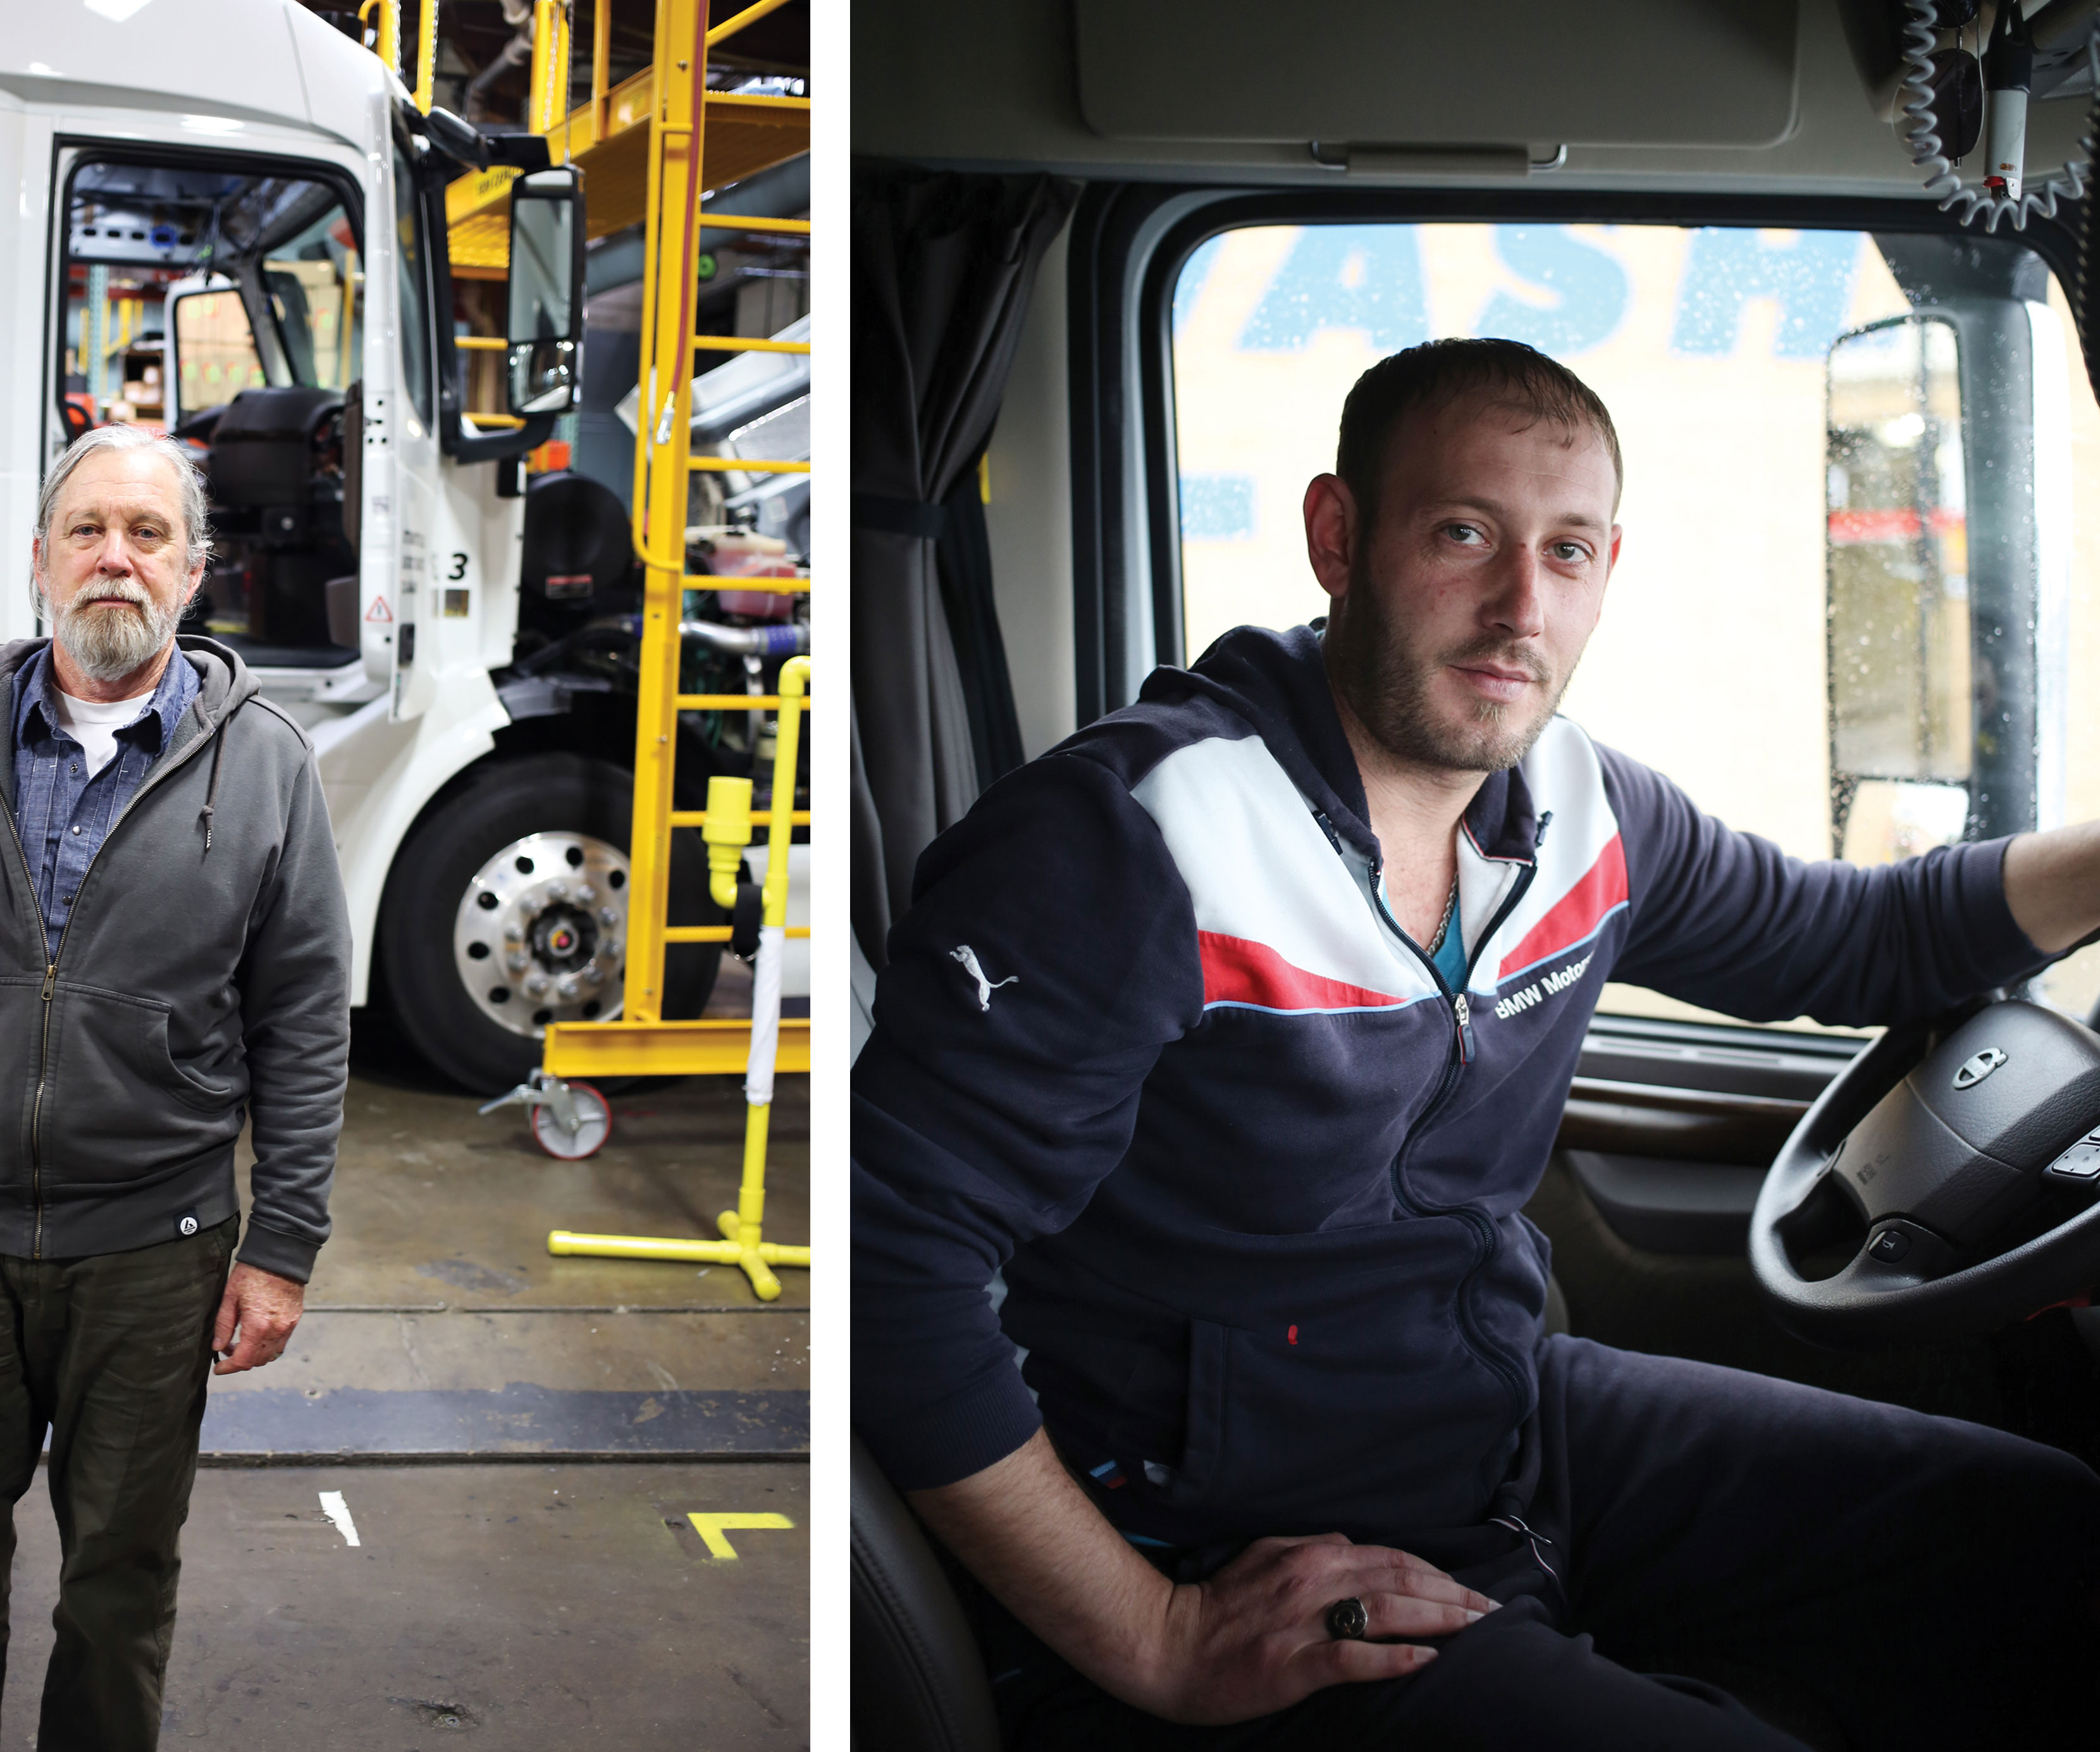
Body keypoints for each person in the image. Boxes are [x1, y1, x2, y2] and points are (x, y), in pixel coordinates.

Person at [853, 339, 2100, 1748]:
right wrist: (1153, 1636)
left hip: (1494, 1430)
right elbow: (886, 1260)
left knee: (2052, 1540)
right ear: (1337, 537)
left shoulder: (1579, 809)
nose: (1519, 607)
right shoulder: (1133, 841)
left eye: (1565, 552)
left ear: (1607, 570)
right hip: (1221, 1532)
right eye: (1463, 533)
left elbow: (1864, 939)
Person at [0, 424, 351, 1752]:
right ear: (39, 559)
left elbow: (304, 1024)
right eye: (88, 531)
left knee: (118, 1580)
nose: (115, 558)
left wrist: (283, 1245)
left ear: (193, 572)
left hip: (154, 1251)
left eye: (147, 535)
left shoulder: (266, 762)